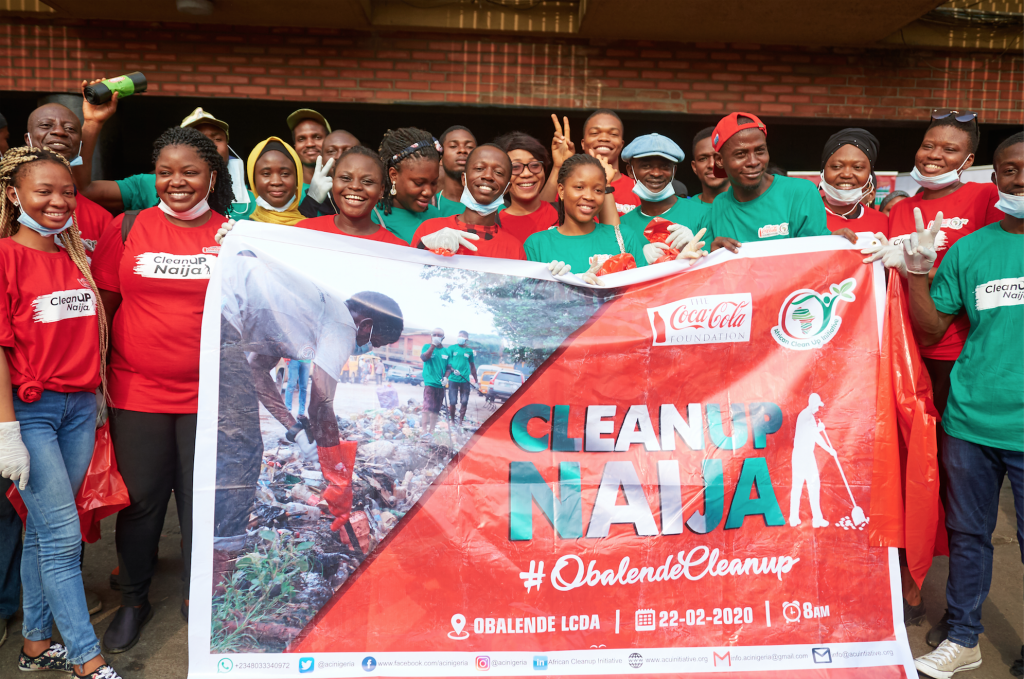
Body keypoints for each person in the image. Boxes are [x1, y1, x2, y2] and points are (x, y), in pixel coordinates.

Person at [863, 112, 1004, 645]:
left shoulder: (985, 200)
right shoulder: (900, 208)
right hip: (897, 353)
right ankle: (905, 578)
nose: (934, 156)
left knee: (946, 478)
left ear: (969, 161)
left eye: (948, 149)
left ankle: (937, 588)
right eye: (928, 146)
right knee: (903, 470)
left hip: (953, 358)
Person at [90, 125, 233, 650]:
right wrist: (94, 378)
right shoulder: (127, 226)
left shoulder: (232, 236)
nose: (177, 181)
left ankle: (198, 600)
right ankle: (134, 599)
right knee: (141, 502)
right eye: (165, 172)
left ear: (211, 177)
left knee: (200, 505)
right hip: (137, 391)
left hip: (209, 396)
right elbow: (104, 306)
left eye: (190, 172)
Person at [0, 147, 120, 679]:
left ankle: (34, 645)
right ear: (13, 195)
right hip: (31, 414)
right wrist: (6, 428)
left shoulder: (75, 258)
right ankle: (86, 659)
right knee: (64, 539)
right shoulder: (4, 256)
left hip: (79, 409)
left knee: (44, 533)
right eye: (43, 191)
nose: (58, 201)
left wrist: (94, 394)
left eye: (67, 192)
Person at [906, 132, 1023, 679]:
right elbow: (933, 330)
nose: (1020, 178)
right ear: (995, 179)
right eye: (1010, 169)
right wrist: (917, 273)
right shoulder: (972, 248)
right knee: (969, 536)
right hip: (971, 422)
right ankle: (963, 638)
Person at [214, 256, 405, 571]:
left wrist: (297, 432)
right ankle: (221, 560)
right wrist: (334, 467)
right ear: (366, 325)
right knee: (242, 449)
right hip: (221, 306)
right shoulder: (343, 325)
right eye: (375, 342)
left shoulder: (307, 316)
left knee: (232, 440)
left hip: (225, 303)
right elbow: (321, 403)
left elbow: (256, 371)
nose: (369, 348)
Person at [699, 112, 856, 253]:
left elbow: (814, 261)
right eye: (741, 154)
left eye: (760, 151)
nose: (753, 162)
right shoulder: (720, 205)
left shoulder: (801, 193)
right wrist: (713, 257)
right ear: (720, 161)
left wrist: (831, 246)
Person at [78, 98, 252, 220]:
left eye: (217, 138)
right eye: (198, 139)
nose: (209, 145)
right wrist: (93, 123)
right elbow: (85, 189)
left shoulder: (251, 198)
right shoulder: (148, 184)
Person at [524, 154, 654, 285]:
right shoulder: (536, 244)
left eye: (598, 190)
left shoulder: (625, 237)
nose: (589, 196)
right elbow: (527, 296)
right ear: (561, 191)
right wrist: (558, 288)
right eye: (579, 187)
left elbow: (644, 291)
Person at [21, 101, 113, 256]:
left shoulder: (101, 218)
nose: (59, 132)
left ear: (80, 145)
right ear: (28, 139)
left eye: (70, 129)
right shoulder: (7, 206)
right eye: (46, 125)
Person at [411, 144, 525, 260]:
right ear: (464, 179)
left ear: (507, 188)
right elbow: (410, 267)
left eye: (499, 172)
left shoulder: (514, 249)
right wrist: (423, 246)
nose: (488, 176)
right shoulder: (430, 229)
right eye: (479, 168)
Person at [291, 146, 408, 245]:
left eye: (367, 181)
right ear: (333, 182)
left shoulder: (398, 248)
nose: (355, 186)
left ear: (381, 191)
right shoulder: (304, 231)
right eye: (346, 178)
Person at [541, 110, 641, 216]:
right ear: (583, 144)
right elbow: (540, 217)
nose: (604, 138)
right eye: (595, 133)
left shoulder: (637, 188)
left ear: (621, 145)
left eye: (613, 134)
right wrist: (559, 166)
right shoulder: (569, 184)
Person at [618, 133, 703, 253]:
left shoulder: (702, 214)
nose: (656, 173)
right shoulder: (623, 225)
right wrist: (640, 259)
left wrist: (698, 250)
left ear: (674, 171)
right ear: (630, 171)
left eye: (664, 166)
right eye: (646, 166)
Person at [373, 128, 443, 244]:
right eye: (419, 183)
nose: (428, 192)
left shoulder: (435, 215)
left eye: (433, 183)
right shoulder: (373, 217)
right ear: (393, 175)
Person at [818, 128, 889, 236]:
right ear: (823, 172)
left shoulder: (882, 221)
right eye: (836, 166)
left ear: (870, 176)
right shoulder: (804, 216)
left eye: (858, 167)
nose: (846, 174)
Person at [494, 131, 558, 244]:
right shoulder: (493, 224)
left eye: (535, 165)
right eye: (515, 167)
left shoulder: (565, 214)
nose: (526, 174)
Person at [789, 394, 837, 529]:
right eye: (817, 406)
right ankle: (794, 518)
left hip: (807, 456)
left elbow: (816, 437)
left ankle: (816, 519)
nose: (818, 409)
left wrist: (829, 450)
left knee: (812, 486)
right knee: (799, 486)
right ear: (812, 404)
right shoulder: (805, 416)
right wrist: (819, 429)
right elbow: (812, 432)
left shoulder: (810, 417)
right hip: (801, 456)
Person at [246, 137, 305, 226]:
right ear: (253, 180)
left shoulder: (310, 229)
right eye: (266, 174)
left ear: (297, 178)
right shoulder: (244, 229)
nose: (276, 182)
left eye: (285, 173)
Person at [435, 126, 477, 217]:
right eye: (453, 146)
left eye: (469, 147)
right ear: (440, 159)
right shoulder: (426, 206)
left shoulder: (494, 209)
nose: (462, 150)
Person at [287, 108, 330, 188]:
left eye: (317, 137)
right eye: (301, 139)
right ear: (295, 147)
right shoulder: (287, 190)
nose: (310, 144)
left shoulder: (343, 188)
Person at [690, 127, 729, 212]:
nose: (712, 164)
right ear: (694, 167)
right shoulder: (686, 210)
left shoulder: (751, 205)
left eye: (719, 157)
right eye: (703, 159)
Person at [420, 328, 449, 441]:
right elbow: (424, 358)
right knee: (427, 407)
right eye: (434, 334)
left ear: (443, 337)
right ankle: (424, 431)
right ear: (431, 336)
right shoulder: (426, 347)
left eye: (439, 335)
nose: (436, 336)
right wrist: (433, 345)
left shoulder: (446, 352)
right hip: (430, 382)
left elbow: (449, 367)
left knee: (436, 409)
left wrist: (446, 377)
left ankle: (431, 431)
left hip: (441, 385)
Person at [444, 331, 477, 426]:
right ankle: (452, 421)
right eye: (459, 336)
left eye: (462, 336)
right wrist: (452, 370)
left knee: (464, 401)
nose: (460, 337)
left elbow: (472, 366)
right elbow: (446, 363)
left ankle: (460, 422)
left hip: (465, 379)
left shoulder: (469, 351)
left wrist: (476, 381)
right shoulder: (451, 348)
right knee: (452, 401)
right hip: (453, 379)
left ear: (466, 339)